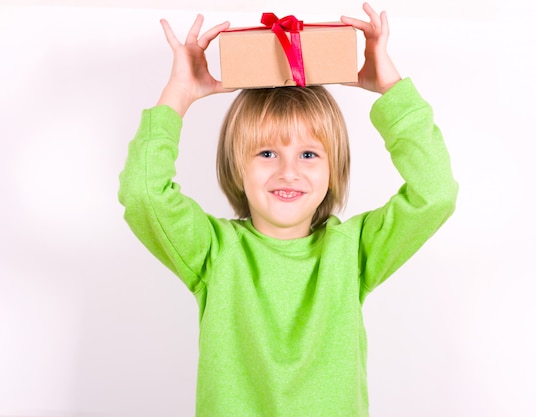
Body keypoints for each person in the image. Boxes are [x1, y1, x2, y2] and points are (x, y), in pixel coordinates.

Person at [118, 2, 458, 416]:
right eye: (266, 152)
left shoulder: (353, 250)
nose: (288, 171)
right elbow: (143, 194)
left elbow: (435, 192)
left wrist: (391, 87)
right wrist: (179, 95)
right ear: (236, 166)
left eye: (309, 155)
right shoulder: (212, 251)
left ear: (334, 171)